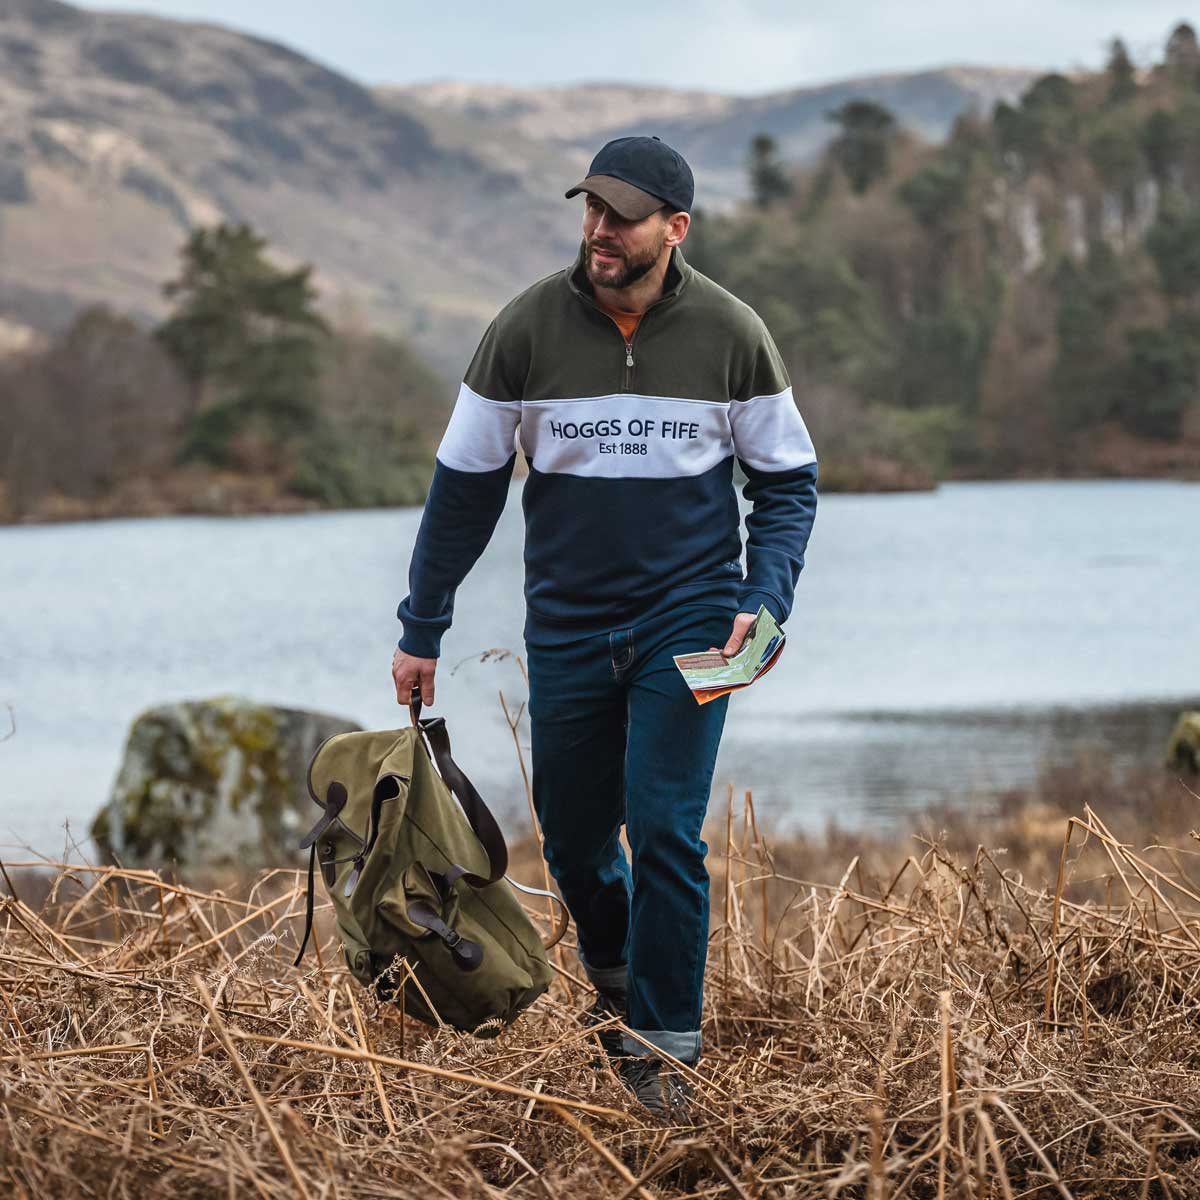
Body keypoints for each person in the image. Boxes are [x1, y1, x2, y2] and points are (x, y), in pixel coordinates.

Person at [391, 135, 818, 1118]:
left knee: (666, 828)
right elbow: (464, 492)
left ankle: (664, 1057)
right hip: (571, 628)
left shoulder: (731, 333)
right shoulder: (525, 330)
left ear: (674, 228)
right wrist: (424, 626)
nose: (598, 229)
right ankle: (619, 971)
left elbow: (788, 483)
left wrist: (769, 595)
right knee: (579, 841)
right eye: (591, 210)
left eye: (621, 215)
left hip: (696, 622)